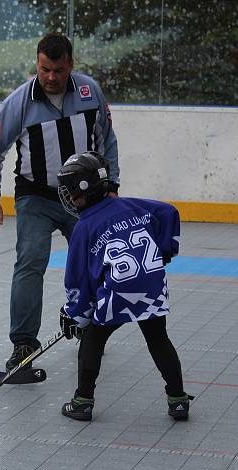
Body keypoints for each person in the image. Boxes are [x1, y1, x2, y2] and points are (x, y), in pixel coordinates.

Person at [0, 32, 119, 371]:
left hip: (84, 200)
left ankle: (84, 321)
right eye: (44, 70)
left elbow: (107, 140)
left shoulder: (89, 92)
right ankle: (24, 342)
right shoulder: (18, 102)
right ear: (37, 65)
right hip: (35, 197)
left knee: (94, 265)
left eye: (58, 70)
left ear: (71, 65)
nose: (51, 78)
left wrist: (112, 187)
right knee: (30, 264)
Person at [56, 151, 192, 422]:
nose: (69, 198)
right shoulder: (133, 206)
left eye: (72, 191)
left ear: (86, 188)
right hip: (152, 286)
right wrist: (165, 251)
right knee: (158, 339)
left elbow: (77, 278)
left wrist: (74, 313)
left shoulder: (84, 226)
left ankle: (82, 402)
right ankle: (178, 400)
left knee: (93, 338)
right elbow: (168, 212)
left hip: (118, 293)